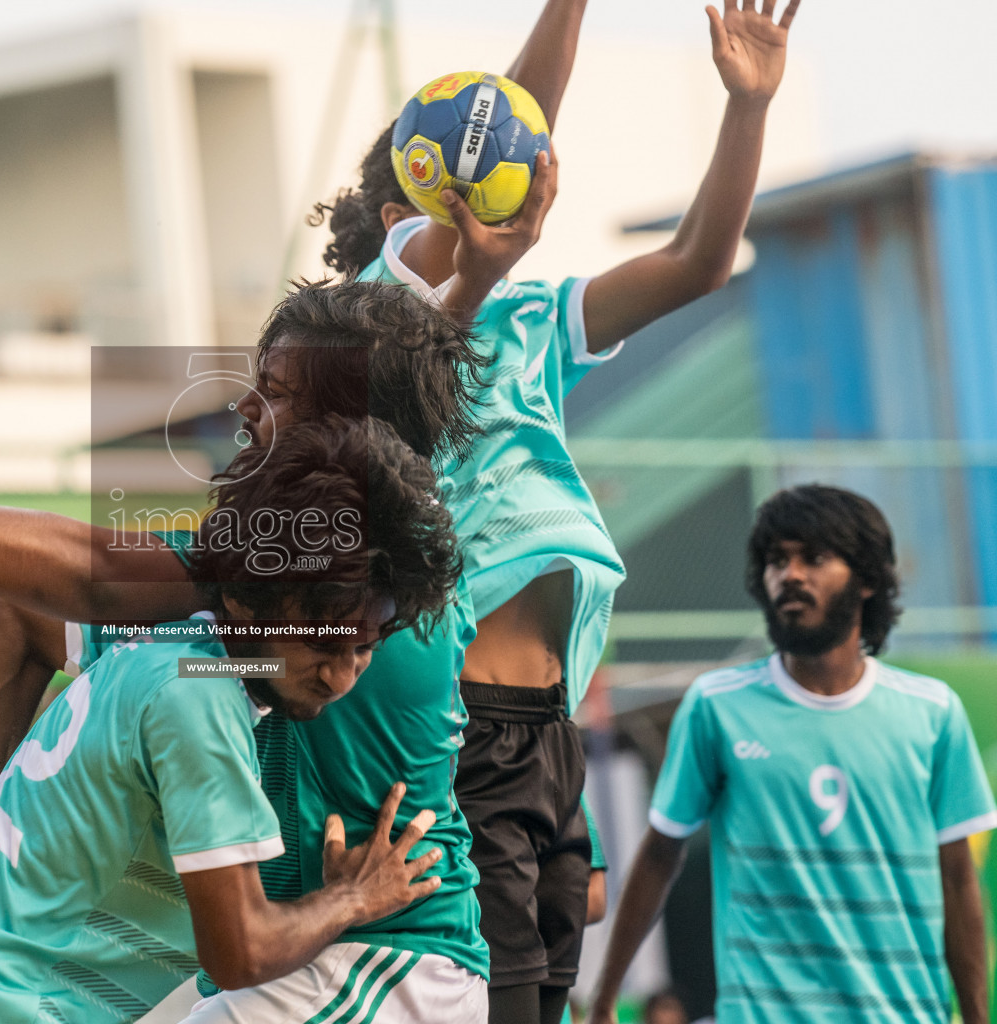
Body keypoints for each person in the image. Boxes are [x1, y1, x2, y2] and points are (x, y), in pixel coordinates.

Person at [315, 3, 802, 1019]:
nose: (473, 192)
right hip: (457, 727)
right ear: (405, 202)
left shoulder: (531, 318)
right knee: (491, 997)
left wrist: (747, 108)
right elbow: (512, 119)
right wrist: (484, 200)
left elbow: (699, 262)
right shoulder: (361, 321)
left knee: (549, 996)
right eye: (438, 193)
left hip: (550, 728)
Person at [0, 415, 470, 1023]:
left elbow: (8, 614)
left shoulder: (168, 654)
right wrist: (351, 898)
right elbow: (242, 954)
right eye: (320, 645)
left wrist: (10, 840)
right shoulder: (198, 705)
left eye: (363, 648)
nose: (341, 677)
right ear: (241, 597)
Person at [588, 485, 994, 1024]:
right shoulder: (717, 706)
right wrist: (605, 999)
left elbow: (958, 879)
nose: (791, 575)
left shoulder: (933, 713)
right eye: (777, 560)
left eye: (814, 558)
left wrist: (975, 1015)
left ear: (868, 579)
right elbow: (661, 852)